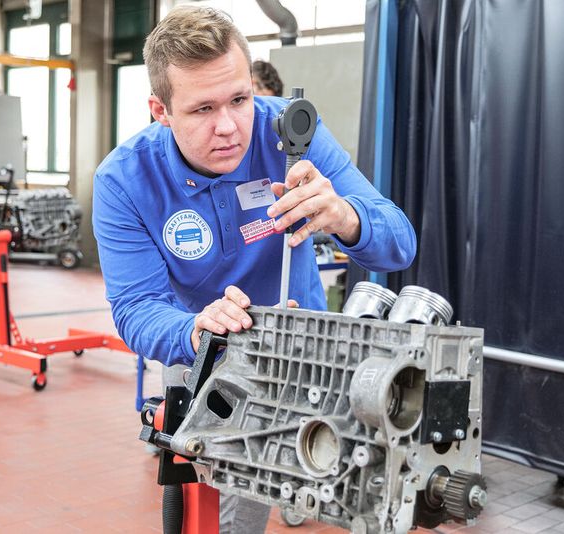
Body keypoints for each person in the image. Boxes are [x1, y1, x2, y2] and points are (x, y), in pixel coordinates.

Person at [92, 6, 416, 533]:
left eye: (240, 99)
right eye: (201, 109)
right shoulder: (125, 181)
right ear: (161, 109)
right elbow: (136, 309)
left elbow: (399, 245)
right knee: (233, 505)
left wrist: (345, 216)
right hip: (200, 345)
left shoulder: (290, 133)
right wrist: (193, 329)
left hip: (303, 345)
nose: (229, 127)